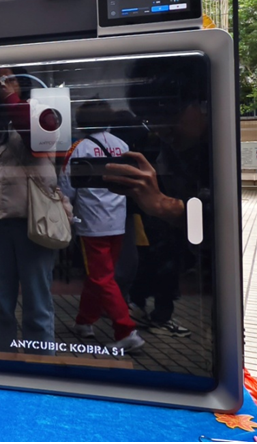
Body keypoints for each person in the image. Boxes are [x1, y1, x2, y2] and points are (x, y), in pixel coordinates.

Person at [103, 58, 207, 339]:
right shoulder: (172, 149)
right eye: (150, 120)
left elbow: (219, 224)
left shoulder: (216, 151)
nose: (161, 129)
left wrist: (167, 207)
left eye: (168, 114)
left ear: (204, 102)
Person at [0, 67, 65, 354]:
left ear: (24, 83)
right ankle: (3, 362)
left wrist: (9, 98)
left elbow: (38, 140)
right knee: (1, 304)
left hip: (33, 220)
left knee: (37, 304)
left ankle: (40, 366)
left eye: (9, 79)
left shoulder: (42, 113)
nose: (2, 84)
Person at [59, 100, 145, 353]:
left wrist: (66, 213)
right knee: (99, 276)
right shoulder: (122, 145)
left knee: (101, 277)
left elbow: (66, 187)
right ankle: (84, 322)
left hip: (92, 223)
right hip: (117, 221)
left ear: (81, 122)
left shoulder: (78, 147)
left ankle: (126, 331)